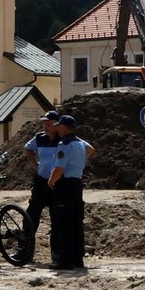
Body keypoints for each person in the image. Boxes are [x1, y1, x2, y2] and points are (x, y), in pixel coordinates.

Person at [17, 110, 63, 264]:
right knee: (30, 217)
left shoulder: (63, 139)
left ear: (56, 124)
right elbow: (28, 149)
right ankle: (25, 252)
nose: (45, 126)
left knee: (57, 221)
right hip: (41, 182)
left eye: (48, 123)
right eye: (44, 123)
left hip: (57, 183)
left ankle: (57, 254)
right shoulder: (39, 138)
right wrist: (35, 164)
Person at [48, 113, 92, 271]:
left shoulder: (64, 144)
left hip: (65, 185)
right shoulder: (80, 144)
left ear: (64, 127)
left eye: (59, 126)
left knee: (64, 222)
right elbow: (90, 150)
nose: (57, 128)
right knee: (76, 222)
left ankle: (65, 260)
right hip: (76, 184)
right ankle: (77, 257)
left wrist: (51, 181)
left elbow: (59, 169)